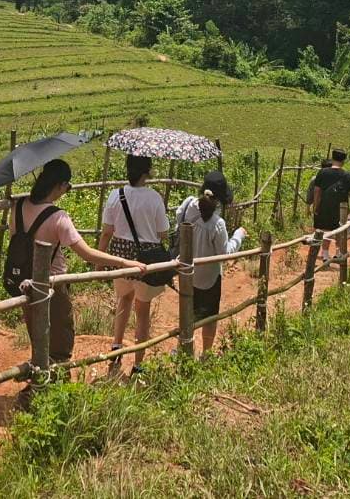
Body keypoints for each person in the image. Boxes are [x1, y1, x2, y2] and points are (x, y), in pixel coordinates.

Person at [10, 158, 140, 365]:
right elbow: (87, 254)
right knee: (60, 338)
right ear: (60, 185)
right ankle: (55, 384)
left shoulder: (18, 206)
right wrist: (125, 263)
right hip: (54, 283)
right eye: (67, 186)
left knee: (37, 333)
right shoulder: (57, 217)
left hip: (25, 281)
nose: (66, 190)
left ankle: (39, 376)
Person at [100, 154, 170, 373]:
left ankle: (116, 347)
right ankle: (138, 363)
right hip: (146, 260)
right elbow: (164, 233)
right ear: (146, 171)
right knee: (143, 311)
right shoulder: (154, 198)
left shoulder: (116, 194)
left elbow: (107, 232)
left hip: (120, 257)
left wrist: (99, 259)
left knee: (123, 300)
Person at [174, 172, 247, 355]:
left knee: (187, 313)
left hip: (187, 274)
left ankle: (183, 351)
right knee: (209, 317)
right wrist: (239, 235)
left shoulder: (188, 207)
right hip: (209, 279)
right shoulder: (218, 224)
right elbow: (224, 254)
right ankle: (206, 354)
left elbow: (177, 221)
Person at [308, 149, 350, 270]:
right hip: (341, 208)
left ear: (332, 158)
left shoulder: (322, 173)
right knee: (340, 231)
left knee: (324, 231)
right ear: (344, 160)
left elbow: (317, 191)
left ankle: (324, 255)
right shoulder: (347, 175)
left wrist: (316, 206)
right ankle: (338, 253)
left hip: (324, 206)